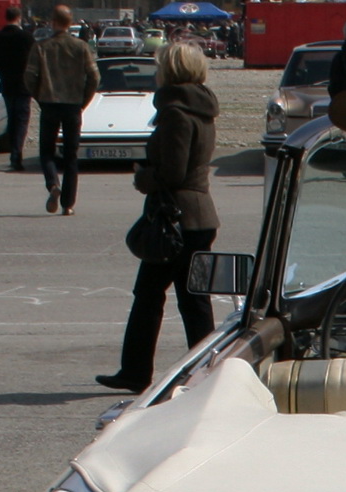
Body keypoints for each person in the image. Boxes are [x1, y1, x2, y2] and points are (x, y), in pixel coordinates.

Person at [100, 42, 216, 395]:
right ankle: (209, 370)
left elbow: (173, 172)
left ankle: (136, 371)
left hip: (176, 217)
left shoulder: (175, 111)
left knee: (150, 294)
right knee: (193, 300)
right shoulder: (202, 107)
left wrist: (143, 177)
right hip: (199, 215)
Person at [26, 5, 96, 215]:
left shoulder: (41, 47)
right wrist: (84, 100)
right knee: (71, 156)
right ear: (70, 22)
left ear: (52, 22)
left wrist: (39, 96)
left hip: (49, 103)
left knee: (46, 151)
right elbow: (94, 77)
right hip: (73, 105)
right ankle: (68, 204)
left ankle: (53, 184)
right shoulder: (81, 47)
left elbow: (29, 77)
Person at [0, 6, 32, 170]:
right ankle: (17, 153)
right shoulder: (26, 37)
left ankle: (14, 151)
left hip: (7, 83)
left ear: (5, 18)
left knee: (11, 119)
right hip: (24, 85)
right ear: (19, 17)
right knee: (21, 120)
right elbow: (34, 60)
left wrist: (3, 68)